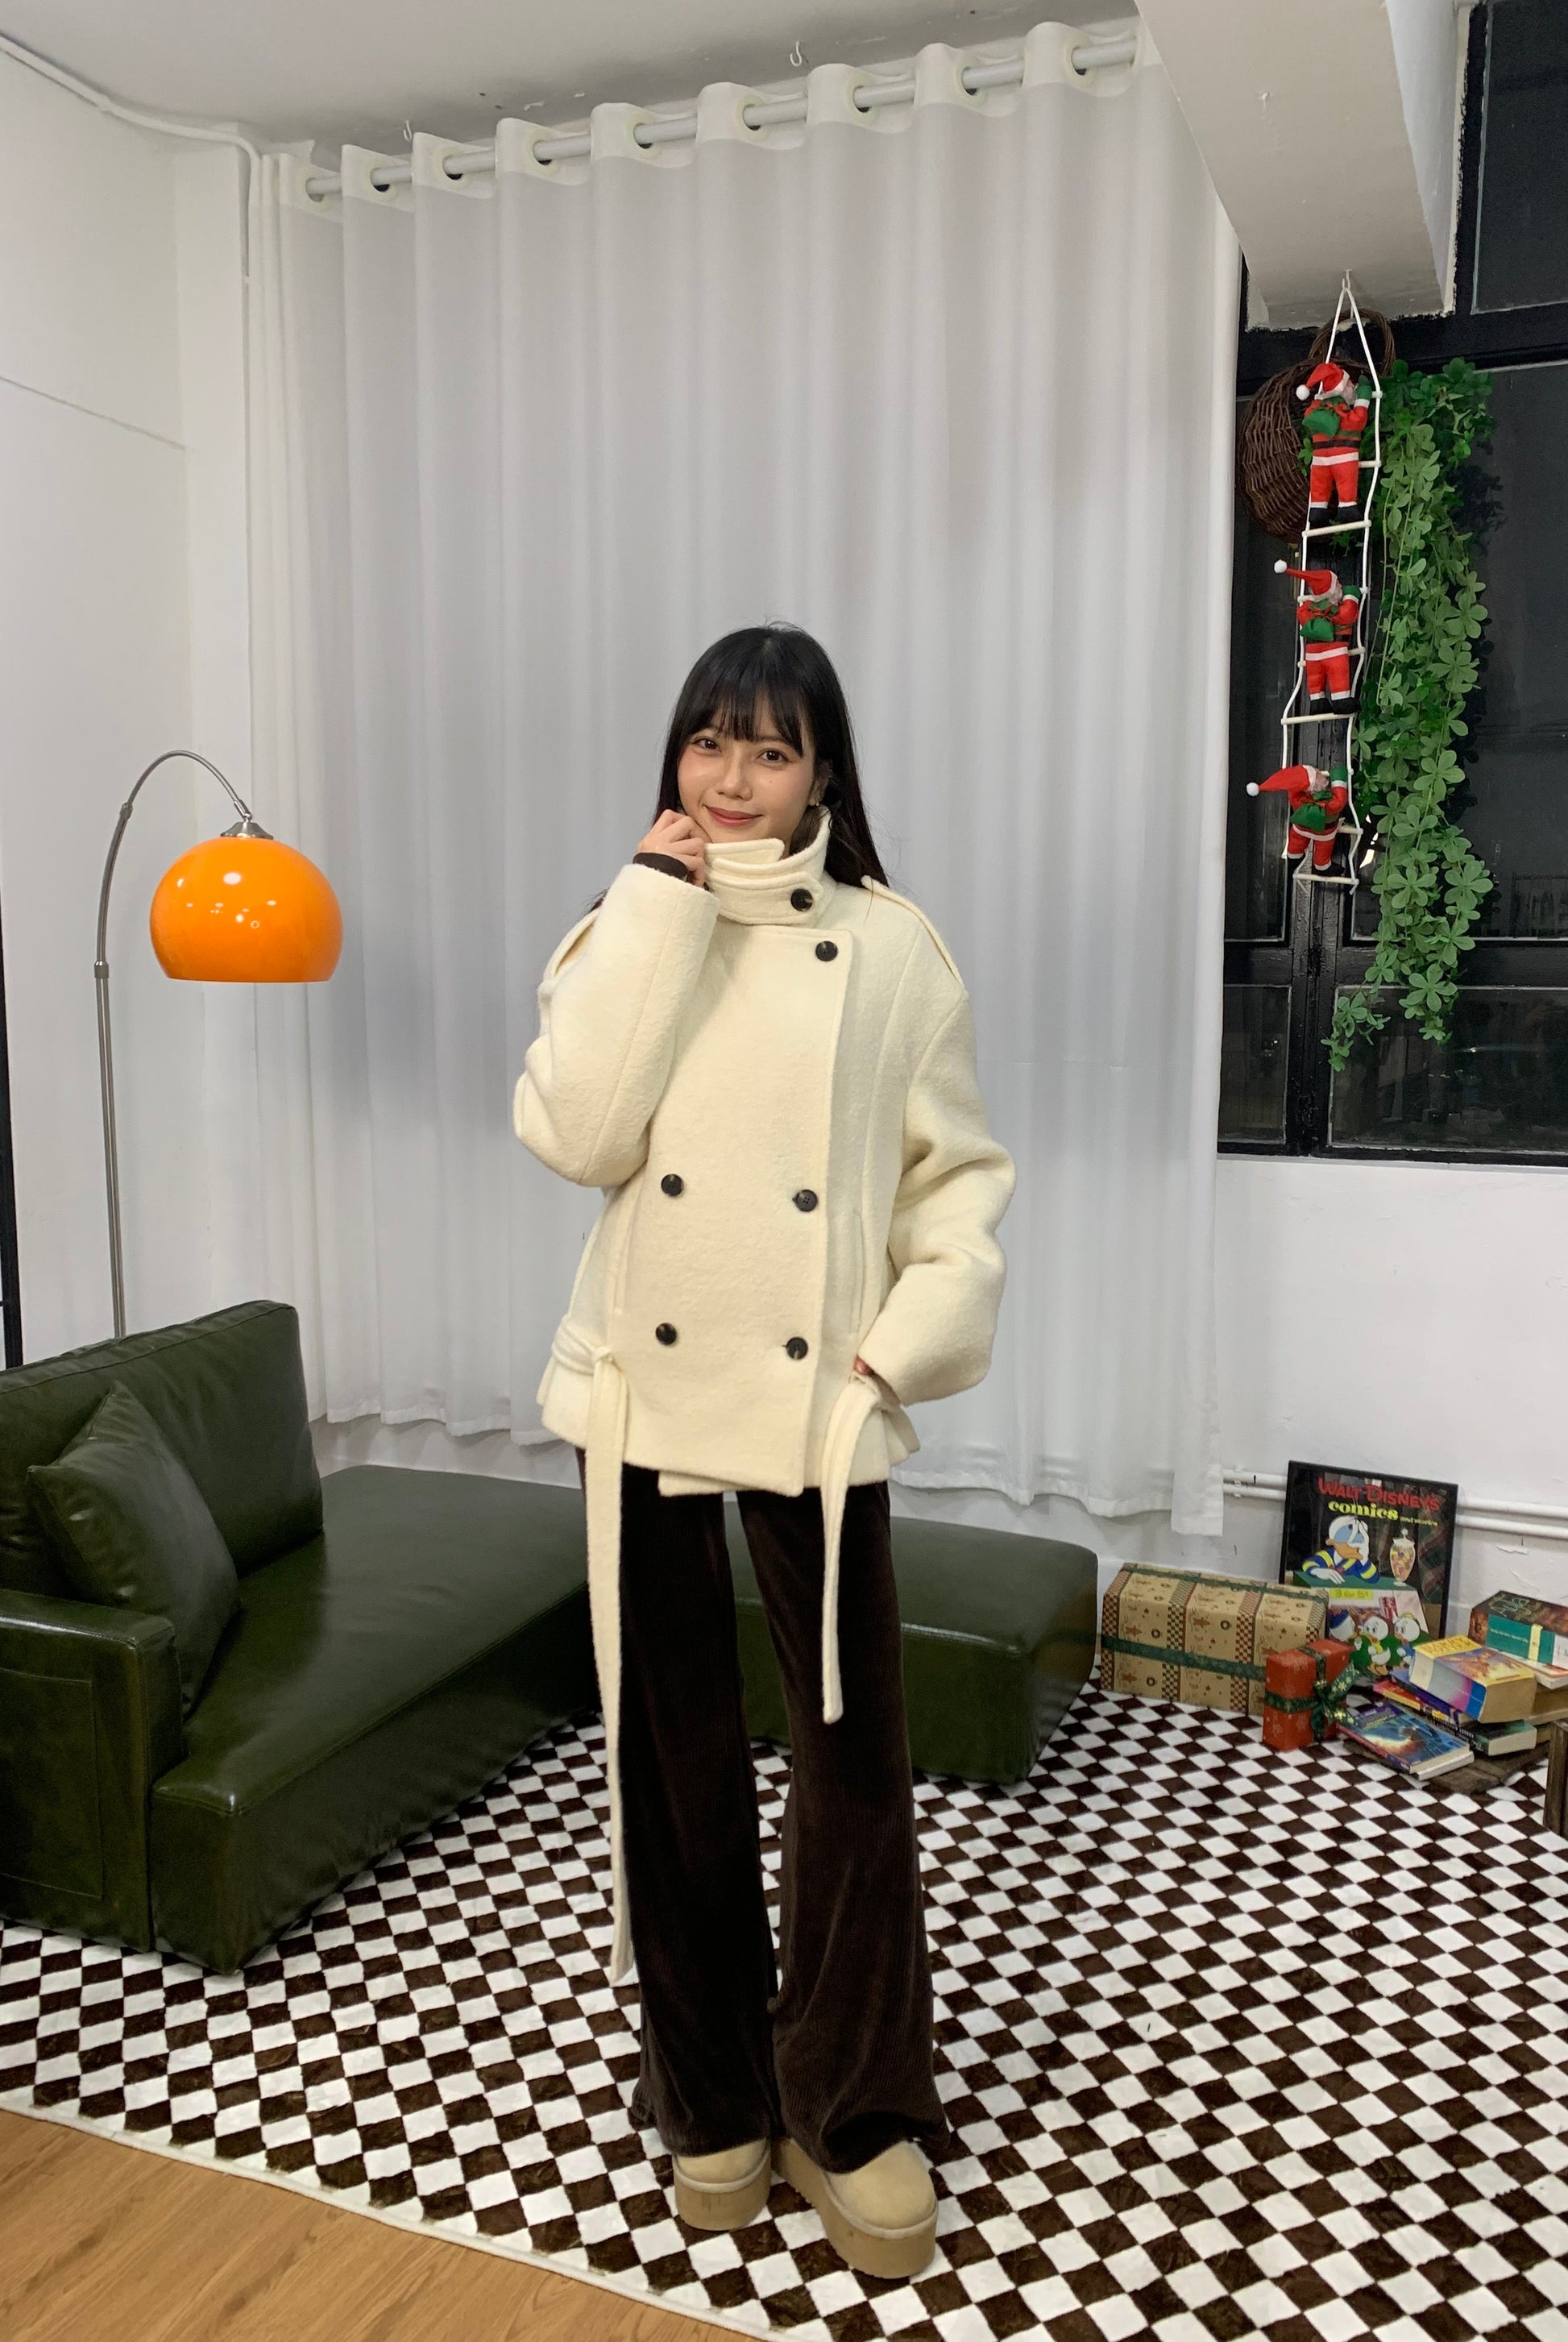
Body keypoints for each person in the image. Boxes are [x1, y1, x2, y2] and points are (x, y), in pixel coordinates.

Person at [512, 623, 1016, 2280]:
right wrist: (657, 906)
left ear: (824, 774)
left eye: (772, 748)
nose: (734, 778)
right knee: (670, 1759)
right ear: (676, 755)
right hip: (642, 1389)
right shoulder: (622, 925)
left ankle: (853, 2103)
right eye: (709, 741)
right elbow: (580, 1135)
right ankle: (710, 2089)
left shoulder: (893, 949)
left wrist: (898, 1344)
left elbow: (956, 1178)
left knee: (849, 1765)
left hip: (820, 1399)